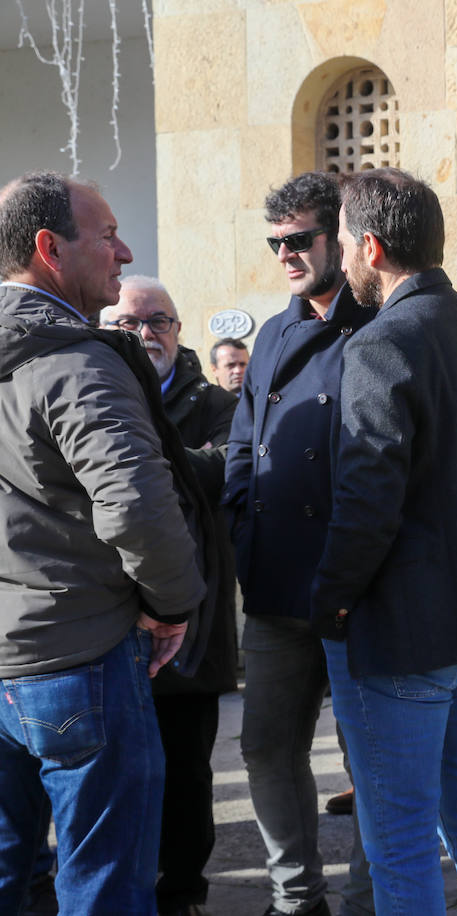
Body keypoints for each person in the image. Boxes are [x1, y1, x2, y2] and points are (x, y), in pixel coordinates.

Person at [311, 168, 457, 914]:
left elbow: (367, 495)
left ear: (371, 247)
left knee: (401, 841)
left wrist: (331, 599)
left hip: (409, 632)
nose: (342, 259)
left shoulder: (383, 342)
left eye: (345, 243)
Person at [0, 172, 206, 913]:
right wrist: (175, 605)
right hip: (76, 660)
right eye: (108, 234)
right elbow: (139, 509)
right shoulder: (79, 363)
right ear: (49, 249)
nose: (123, 251)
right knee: (107, 889)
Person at [224, 171, 375, 916]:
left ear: (338, 237)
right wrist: (241, 533)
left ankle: (368, 897)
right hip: (277, 587)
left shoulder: (379, 318)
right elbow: (243, 448)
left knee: (368, 759)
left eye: (300, 240)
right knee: (264, 746)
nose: (286, 254)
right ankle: (295, 896)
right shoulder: (276, 331)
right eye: (275, 242)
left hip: (357, 591)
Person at [100, 277, 239, 916]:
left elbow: (222, 472)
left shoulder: (216, 403)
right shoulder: (87, 391)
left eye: (159, 321)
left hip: (191, 624)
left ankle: (182, 892)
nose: (145, 333)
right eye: (129, 323)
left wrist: (130, 456)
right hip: (100, 622)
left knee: (185, 776)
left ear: (179, 333)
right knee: (110, 777)